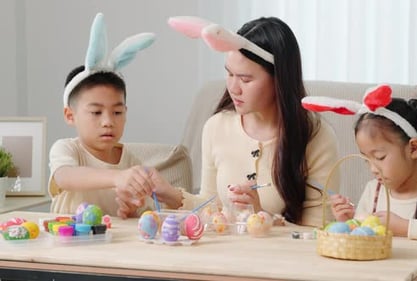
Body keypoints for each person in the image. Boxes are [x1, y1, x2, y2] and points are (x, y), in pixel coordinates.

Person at [148, 16, 340, 227]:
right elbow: (212, 205)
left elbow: (317, 230)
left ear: (279, 79)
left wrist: (261, 217)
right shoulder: (216, 127)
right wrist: (170, 193)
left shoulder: (315, 135)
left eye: (246, 79)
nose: (233, 88)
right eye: (229, 74)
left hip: (281, 259)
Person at [302, 84, 417, 279]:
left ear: (413, 148)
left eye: (379, 157)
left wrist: (405, 227)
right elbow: (365, 238)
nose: (373, 168)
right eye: (366, 159)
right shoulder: (374, 191)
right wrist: (348, 223)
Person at [48, 13, 157, 218]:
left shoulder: (130, 161)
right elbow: (64, 177)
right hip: (67, 246)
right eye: (96, 112)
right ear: (70, 115)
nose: (108, 122)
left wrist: (132, 210)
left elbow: (142, 214)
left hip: (109, 246)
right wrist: (117, 178)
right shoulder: (67, 149)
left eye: (117, 112)